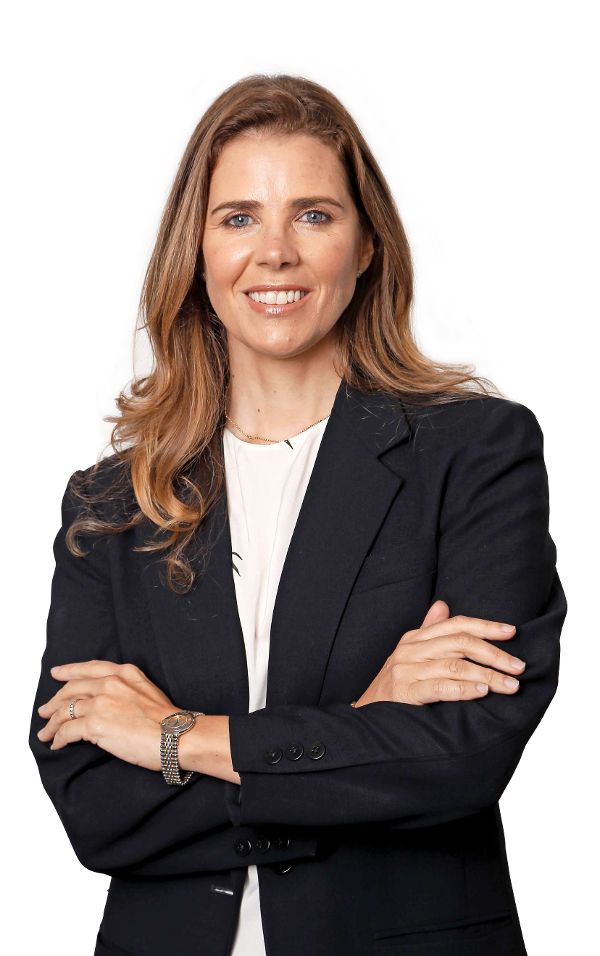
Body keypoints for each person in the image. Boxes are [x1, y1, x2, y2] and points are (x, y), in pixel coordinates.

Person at [28, 73, 567, 956]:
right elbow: (96, 807)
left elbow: (461, 755)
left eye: (313, 215)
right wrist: (366, 722)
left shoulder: (474, 454)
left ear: (367, 246)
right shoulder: (113, 503)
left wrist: (175, 738)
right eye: (238, 217)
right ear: (197, 253)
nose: (274, 252)